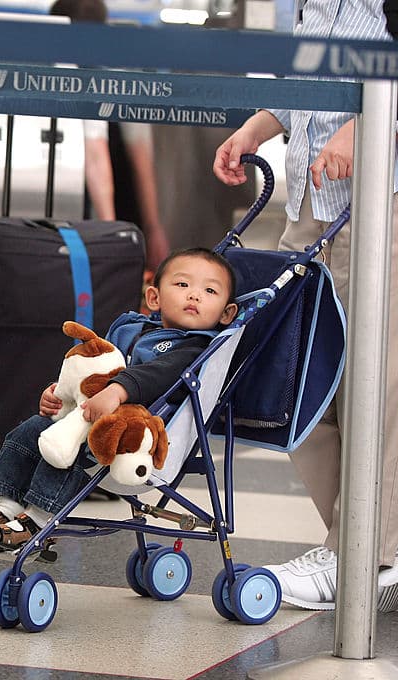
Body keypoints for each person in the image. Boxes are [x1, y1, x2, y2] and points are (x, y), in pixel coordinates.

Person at [212, 0, 398, 612]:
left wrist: (365, 124)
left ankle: (365, 555)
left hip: (379, 205)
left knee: (380, 390)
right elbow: (309, 85)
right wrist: (257, 127)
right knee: (296, 381)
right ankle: (364, 548)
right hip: (311, 213)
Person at [0, 248, 237, 549]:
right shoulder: (133, 330)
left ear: (226, 313)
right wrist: (62, 394)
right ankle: (7, 505)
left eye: (209, 290)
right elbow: (94, 371)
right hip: (93, 417)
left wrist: (115, 390)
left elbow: (157, 375)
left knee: (71, 446)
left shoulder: (196, 350)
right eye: (182, 285)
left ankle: (38, 517)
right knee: (31, 430)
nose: (194, 295)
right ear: (153, 298)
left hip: (134, 439)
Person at [48, 0, 171, 274]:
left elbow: (97, 155)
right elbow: (140, 154)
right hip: (115, 204)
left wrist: (110, 233)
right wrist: (150, 227)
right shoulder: (118, 71)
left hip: (84, 207)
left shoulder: (68, 72)